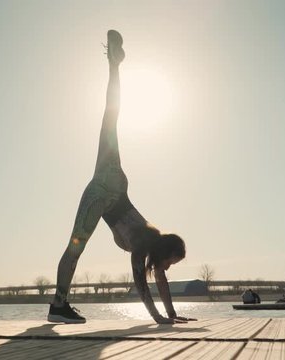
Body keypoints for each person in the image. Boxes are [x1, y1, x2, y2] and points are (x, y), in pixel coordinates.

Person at [47, 30, 195, 325]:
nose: (169, 267)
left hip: (110, 185)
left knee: (111, 118)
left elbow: (159, 281)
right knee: (110, 118)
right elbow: (141, 283)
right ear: (166, 253)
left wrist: (173, 315)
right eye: (172, 261)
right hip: (104, 189)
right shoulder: (142, 243)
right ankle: (58, 306)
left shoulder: (150, 241)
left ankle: (58, 305)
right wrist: (159, 319)